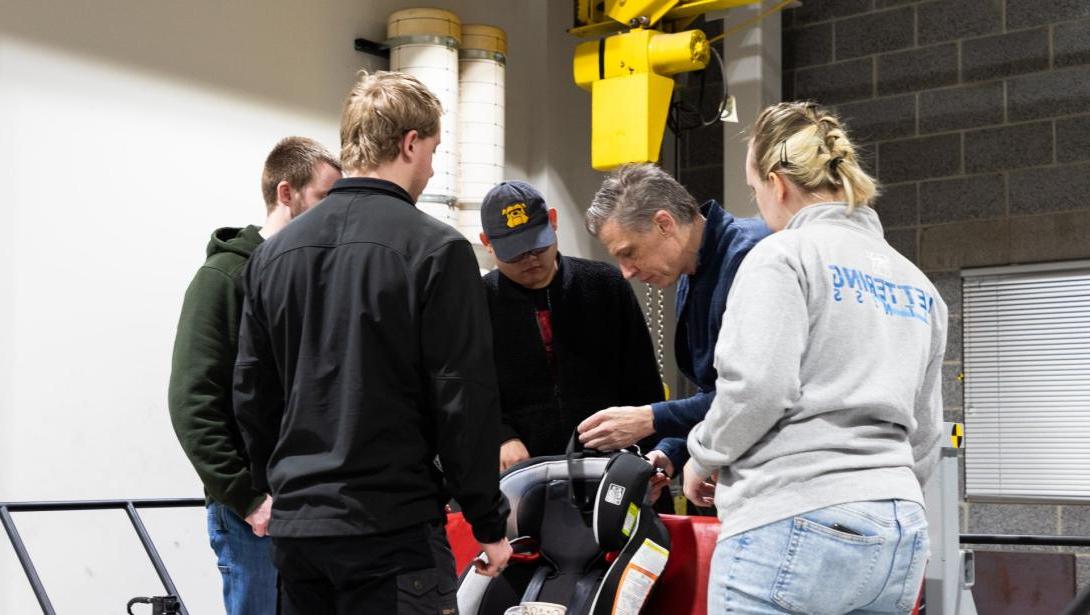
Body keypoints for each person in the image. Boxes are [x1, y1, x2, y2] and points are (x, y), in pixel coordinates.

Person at [233, 70, 512, 615]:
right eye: (431, 151)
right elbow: (464, 399)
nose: (431, 168)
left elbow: (251, 393)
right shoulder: (435, 251)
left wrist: (285, 490)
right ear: (410, 143)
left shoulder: (273, 255)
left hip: (299, 537)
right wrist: (487, 520)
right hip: (390, 532)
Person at [684, 101, 946, 614]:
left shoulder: (782, 256)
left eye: (757, 192)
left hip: (793, 516)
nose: (760, 207)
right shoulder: (918, 283)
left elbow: (758, 389)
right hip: (899, 531)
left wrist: (703, 456)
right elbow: (927, 432)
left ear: (778, 183)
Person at [167, 136, 341, 615]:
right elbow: (193, 402)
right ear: (287, 194)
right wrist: (248, 499)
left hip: (312, 508)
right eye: (327, 196)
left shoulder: (313, 280)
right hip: (253, 516)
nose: (336, 213)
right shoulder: (223, 278)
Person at [576, 164, 770, 482]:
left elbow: (755, 393)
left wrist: (651, 418)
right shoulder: (690, 271)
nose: (626, 271)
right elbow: (713, 391)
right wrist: (670, 453)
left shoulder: (752, 259)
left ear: (664, 223)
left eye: (629, 253)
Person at [477, 180, 664, 472]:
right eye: (514, 253)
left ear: (553, 221)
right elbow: (464, 392)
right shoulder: (474, 303)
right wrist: (500, 436)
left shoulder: (605, 285)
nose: (529, 259)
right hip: (517, 470)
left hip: (608, 463)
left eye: (537, 246)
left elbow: (643, 384)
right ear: (487, 243)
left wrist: (652, 459)